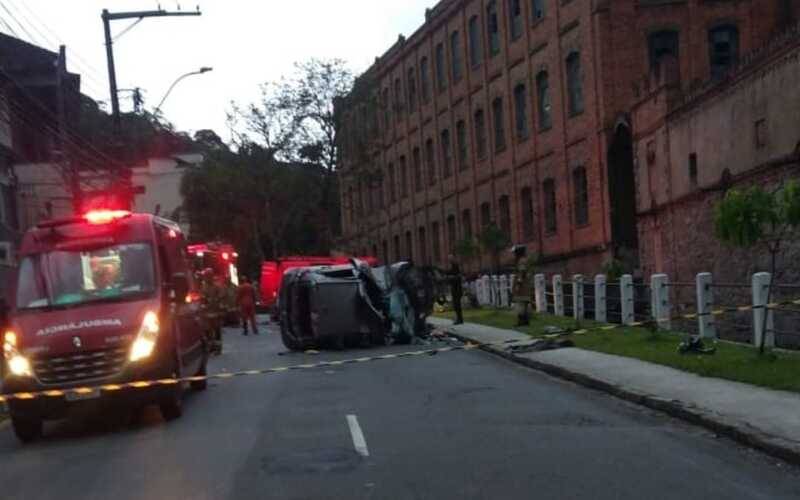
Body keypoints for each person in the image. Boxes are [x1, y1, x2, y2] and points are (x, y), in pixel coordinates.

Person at [511, 245, 531, 327]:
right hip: (525, 284)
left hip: (522, 285)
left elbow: (522, 273)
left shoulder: (521, 261)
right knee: (523, 303)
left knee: (520, 303)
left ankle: (521, 321)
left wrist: (518, 284)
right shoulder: (524, 260)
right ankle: (525, 321)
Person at [446, 255, 464, 325]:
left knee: (457, 305)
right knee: (456, 305)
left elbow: (457, 276)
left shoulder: (455, 266)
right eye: (449, 259)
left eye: (450, 259)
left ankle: (459, 319)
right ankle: (459, 319)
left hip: (457, 289)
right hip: (454, 288)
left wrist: (451, 277)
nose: (449, 260)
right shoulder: (453, 266)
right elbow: (449, 273)